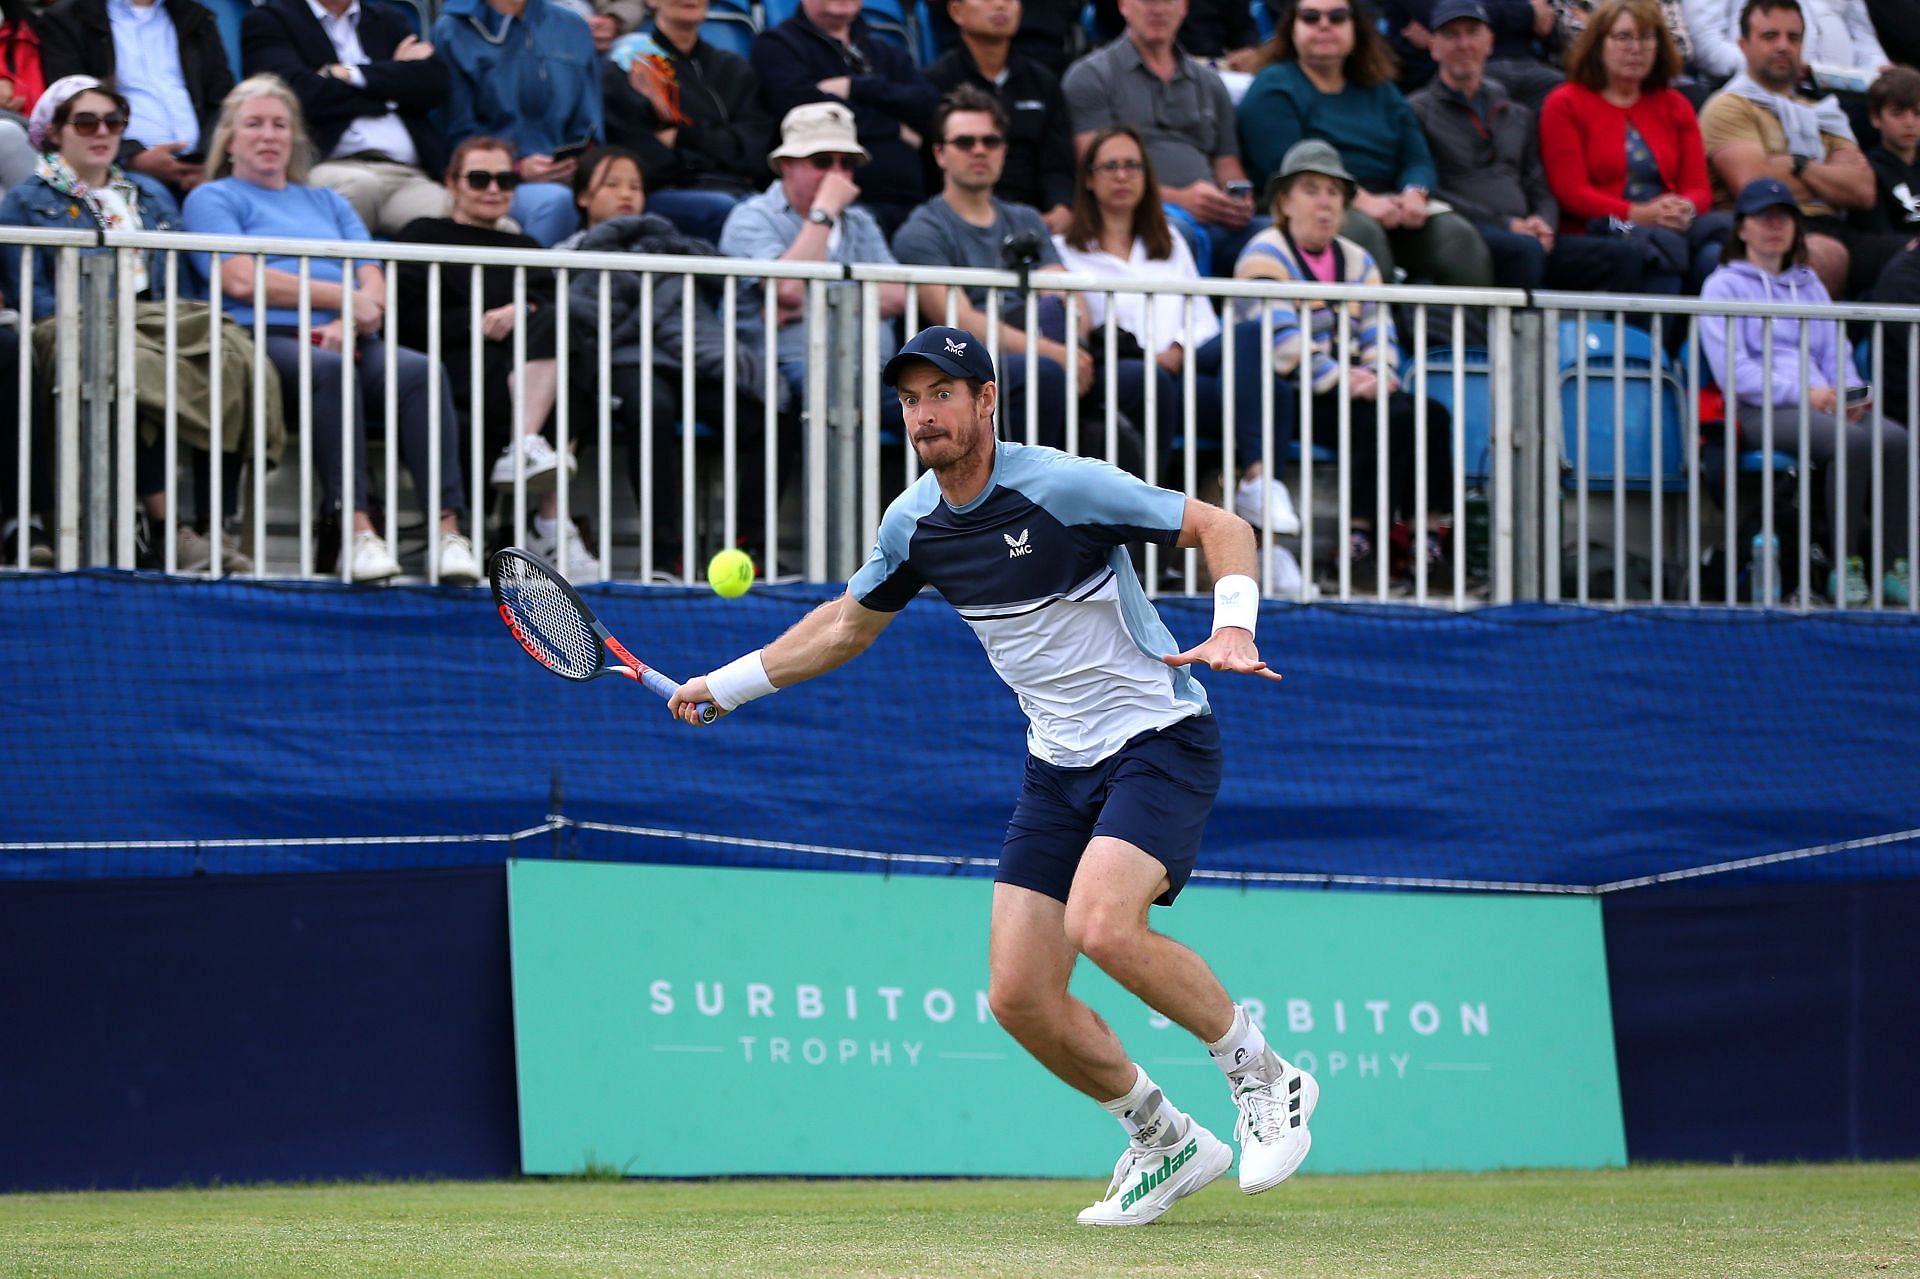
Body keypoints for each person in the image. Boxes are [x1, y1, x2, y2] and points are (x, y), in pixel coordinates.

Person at [665, 322, 1317, 1229]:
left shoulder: (1061, 485)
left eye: (942, 393)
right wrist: (726, 688)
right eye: (910, 398)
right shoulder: (913, 524)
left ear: (986, 401)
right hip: (1057, 766)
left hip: (1156, 736)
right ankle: (1164, 1138)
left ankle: (1267, 1077)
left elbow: (1221, 524)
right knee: (1018, 994)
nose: (924, 413)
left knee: (1101, 924)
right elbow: (844, 626)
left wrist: (1235, 621)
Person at [182, 74, 482, 585]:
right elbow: (240, 278)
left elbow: (373, 275)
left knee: (421, 373)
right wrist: (341, 299)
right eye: (254, 124)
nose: (269, 135)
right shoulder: (213, 198)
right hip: (266, 341)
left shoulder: (328, 202)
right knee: (329, 369)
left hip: (349, 337)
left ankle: (447, 534)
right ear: (229, 138)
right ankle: (357, 530)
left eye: (280, 124)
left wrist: (351, 317)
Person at [0, 74, 277, 574]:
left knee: (233, 353)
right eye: (86, 122)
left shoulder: (149, 194)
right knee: (132, 358)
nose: (101, 132)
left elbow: (181, 279)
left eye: (113, 122)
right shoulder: (25, 200)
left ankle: (216, 526)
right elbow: (33, 292)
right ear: (57, 133)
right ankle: (169, 529)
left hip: (157, 321)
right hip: (72, 321)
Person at [1052, 123, 1307, 555]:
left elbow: (1202, 319)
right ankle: (1265, 527)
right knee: (1273, 392)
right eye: (1109, 166)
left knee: (1248, 335)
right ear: (1090, 178)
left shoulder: (1171, 243)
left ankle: (1258, 479)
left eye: (1132, 165)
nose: (1121, 175)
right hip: (1124, 376)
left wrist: (1177, 350)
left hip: (1184, 365)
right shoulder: (1064, 249)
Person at [1236, 140, 1458, 584]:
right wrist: (1343, 379)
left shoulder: (1360, 260)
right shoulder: (1264, 253)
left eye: (1334, 192)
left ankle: (1426, 541)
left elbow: (1382, 332)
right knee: (1383, 419)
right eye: (1311, 189)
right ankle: (1357, 544)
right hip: (1296, 395)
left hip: (1360, 391)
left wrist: (1378, 375)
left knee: (1427, 412)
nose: (1325, 203)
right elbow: (1279, 341)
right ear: (1284, 201)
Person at [561, 144, 781, 568]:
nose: (627, 194)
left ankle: (748, 545)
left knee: (766, 410)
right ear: (583, 196)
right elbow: (578, 315)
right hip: (623, 361)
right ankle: (667, 554)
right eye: (612, 184)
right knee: (653, 408)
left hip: (686, 360)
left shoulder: (672, 246)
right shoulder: (569, 250)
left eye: (636, 186)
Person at [390, 136, 599, 579]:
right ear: (451, 183)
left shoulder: (525, 247)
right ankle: (549, 520)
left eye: (504, 179)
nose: (492, 189)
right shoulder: (422, 235)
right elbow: (407, 319)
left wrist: (520, 312)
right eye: (479, 178)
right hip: (453, 367)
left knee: (569, 338)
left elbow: (552, 309)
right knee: (551, 358)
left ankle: (532, 472)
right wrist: (483, 321)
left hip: (520, 374)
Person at [1701, 177, 1911, 604]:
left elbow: (1837, 352)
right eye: (1764, 217)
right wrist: (1807, 395)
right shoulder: (1722, 285)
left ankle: (1894, 564)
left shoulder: (1810, 284)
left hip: (1823, 404)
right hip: (1758, 410)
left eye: (1784, 218)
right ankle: (1843, 563)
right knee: (1849, 443)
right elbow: (1734, 373)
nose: (1775, 225)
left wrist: (1852, 395)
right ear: (1741, 228)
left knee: (1896, 439)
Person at [891, 86, 1089, 461]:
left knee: (1134, 380)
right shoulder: (922, 230)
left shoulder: (1026, 219)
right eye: (965, 141)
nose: (979, 150)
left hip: (1048, 348)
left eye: (990, 140)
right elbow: (957, 321)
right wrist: (1054, 353)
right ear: (939, 153)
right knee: (1041, 372)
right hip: (968, 363)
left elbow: (1069, 295)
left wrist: (1073, 346)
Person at [1239, 0, 1494, 288]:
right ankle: (1373, 333)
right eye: (1310, 17)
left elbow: (1416, 158)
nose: (1324, 25)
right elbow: (1285, 163)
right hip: (1318, 201)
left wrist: (1414, 194)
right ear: (1291, 29)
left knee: (1458, 239)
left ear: (1355, 28)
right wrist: (1360, 199)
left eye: (1337, 17)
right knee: (1363, 236)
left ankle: (1460, 334)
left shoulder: (1381, 89)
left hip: (1391, 204)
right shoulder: (1274, 85)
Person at [1413, 0, 1648, 291]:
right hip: (1466, 233)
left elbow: (1538, 182)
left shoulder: (1515, 112)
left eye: (1473, 32)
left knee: (1626, 256)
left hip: (1528, 233)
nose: (1464, 44)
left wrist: (1543, 222)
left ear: (1490, 42)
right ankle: (1519, 335)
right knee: (1523, 250)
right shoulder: (1418, 111)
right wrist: (1506, 224)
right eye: (1451, 35)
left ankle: (1621, 337)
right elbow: (1432, 190)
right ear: (1433, 46)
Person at [1698, 0, 1904, 298]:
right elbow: (1756, 189)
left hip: (1835, 227)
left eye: (1793, 38)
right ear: (1743, 45)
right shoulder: (1728, 106)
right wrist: (1828, 175)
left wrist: (1798, 165)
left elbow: (1862, 189)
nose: (1783, 46)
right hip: (1768, 231)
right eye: (1770, 36)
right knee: (1826, 256)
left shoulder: (1823, 112)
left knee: (1911, 255)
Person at [716, 102, 908, 415]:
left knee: (942, 403)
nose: (837, 175)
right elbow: (788, 288)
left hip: (874, 372)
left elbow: (899, 294)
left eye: (846, 164)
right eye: (822, 162)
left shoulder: (861, 221)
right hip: (789, 369)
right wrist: (824, 212)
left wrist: (814, 302)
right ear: (787, 165)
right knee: (830, 390)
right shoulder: (750, 217)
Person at [1538, 0, 1729, 295]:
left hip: (1671, 226)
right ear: (1598, 44)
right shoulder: (1565, 103)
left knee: (1716, 255)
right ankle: (1647, 342)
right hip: (1602, 231)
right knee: (1658, 258)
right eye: (1623, 37)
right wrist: (1638, 214)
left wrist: (1684, 209)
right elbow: (1571, 191)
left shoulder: (1676, 105)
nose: (1636, 48)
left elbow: (1699, 189)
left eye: (1646, 37)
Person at [1063, 0, 1256, 275]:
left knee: (1273, 237)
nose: (1157, 9)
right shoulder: (1091, 76)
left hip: (1213, 216)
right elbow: (1095, 170)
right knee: (1175, 235)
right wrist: (1181, 200)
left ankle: (1282, 319)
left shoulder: (1210, 83)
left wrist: (1237, 199)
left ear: (1185, 8)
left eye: (1168, 1)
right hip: (1139, 217)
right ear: (1123, 6)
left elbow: (1227, 164)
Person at [239, 0, 451, 236]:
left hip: (406, 175)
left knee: (462, 218)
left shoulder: (388, 19)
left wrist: (348, 74)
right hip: (329, 167)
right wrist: (392, 80)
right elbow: (297, 96)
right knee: (358, 187)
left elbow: (434, 83)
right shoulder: (271, 19)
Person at [749, 0, 937, 234]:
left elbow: (927, 104)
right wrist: (895, 128)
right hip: (836, 206)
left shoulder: (885, 52)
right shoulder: (778, 45)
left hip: (912, 201)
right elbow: (805, 109)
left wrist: (856, 87)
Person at [599, 0, 773, 245]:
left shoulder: (734, 68)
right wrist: (718, 151)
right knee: (736, 212)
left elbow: (755, 154)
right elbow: (644, 161)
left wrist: (684, 136)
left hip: (739, 190)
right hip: (670, 192)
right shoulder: (628, 66)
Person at [433, 0, 601, 246]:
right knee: (555, 202)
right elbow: (458, 130)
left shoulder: (574, 26)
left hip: (568, 176)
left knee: (615, 195)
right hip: (493, 180)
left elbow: (590, 124)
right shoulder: (454, 27)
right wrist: (516, 167)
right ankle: (531, 283)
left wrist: (576, 164)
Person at [36, 0, 232, 198]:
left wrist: (210, 159)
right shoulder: (68, 19)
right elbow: (70, 105)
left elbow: (223, 101)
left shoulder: (196, 16)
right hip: (118, 168)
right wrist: (131, 157)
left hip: (203, 167)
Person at [927, 0, 1076, 235]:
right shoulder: (937, 83)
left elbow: (1058, 162)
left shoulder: (1043, 82)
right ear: (956, 11)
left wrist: (1061, 208)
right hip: (963, 223)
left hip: (1040, 223)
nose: (999, 5)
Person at [1378, 0, 1564, 107]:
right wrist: (1527, 13)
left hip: (1532, 65)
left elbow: (1546, 19)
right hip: (1457, 74)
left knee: (1565, 96)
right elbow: (1447, 12)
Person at [1864, 67, 1920, 233]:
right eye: (1898, 113)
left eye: (1917, 113)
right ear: (1875, 117)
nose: (1909, 122)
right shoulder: (1869, 171)